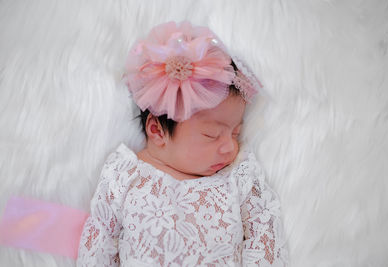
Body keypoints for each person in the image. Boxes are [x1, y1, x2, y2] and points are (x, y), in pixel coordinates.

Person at [77, 21, 288, 266]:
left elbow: (265, 230)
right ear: (157, 131)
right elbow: (98, 243)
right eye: (211, 135)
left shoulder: (237, 173)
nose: (230, 147)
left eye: (235, 133)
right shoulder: (123, 174)